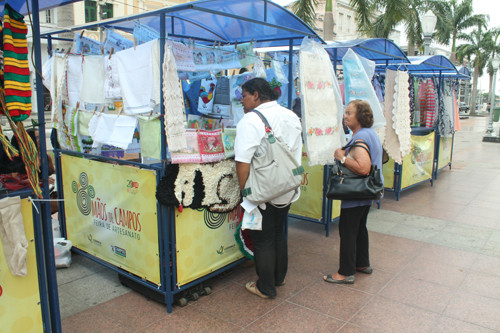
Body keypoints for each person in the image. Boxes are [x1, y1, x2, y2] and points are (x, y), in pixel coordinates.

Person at [234, 78, 302, 299]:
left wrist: (244, 192)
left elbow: (242, 162)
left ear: (255, 95)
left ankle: (266, 287)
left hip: (264, 191)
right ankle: (278, 278)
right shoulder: (290, 115)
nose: (241, 101)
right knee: (278, 233)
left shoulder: (250, 120)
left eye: (243, 96)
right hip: (288, 186)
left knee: (263, 239)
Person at [324, 99, 382, 284]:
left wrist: (342, 158)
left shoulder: (360, 138)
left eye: (349, 113)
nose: (345, 116)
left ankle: (345, 272)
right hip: (368, 192)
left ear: (360, 116)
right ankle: (361, 263)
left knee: (348, 231)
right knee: (359, 228)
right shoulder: (370, 134)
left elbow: (363, 168)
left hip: (356, 193)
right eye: (345, 112)